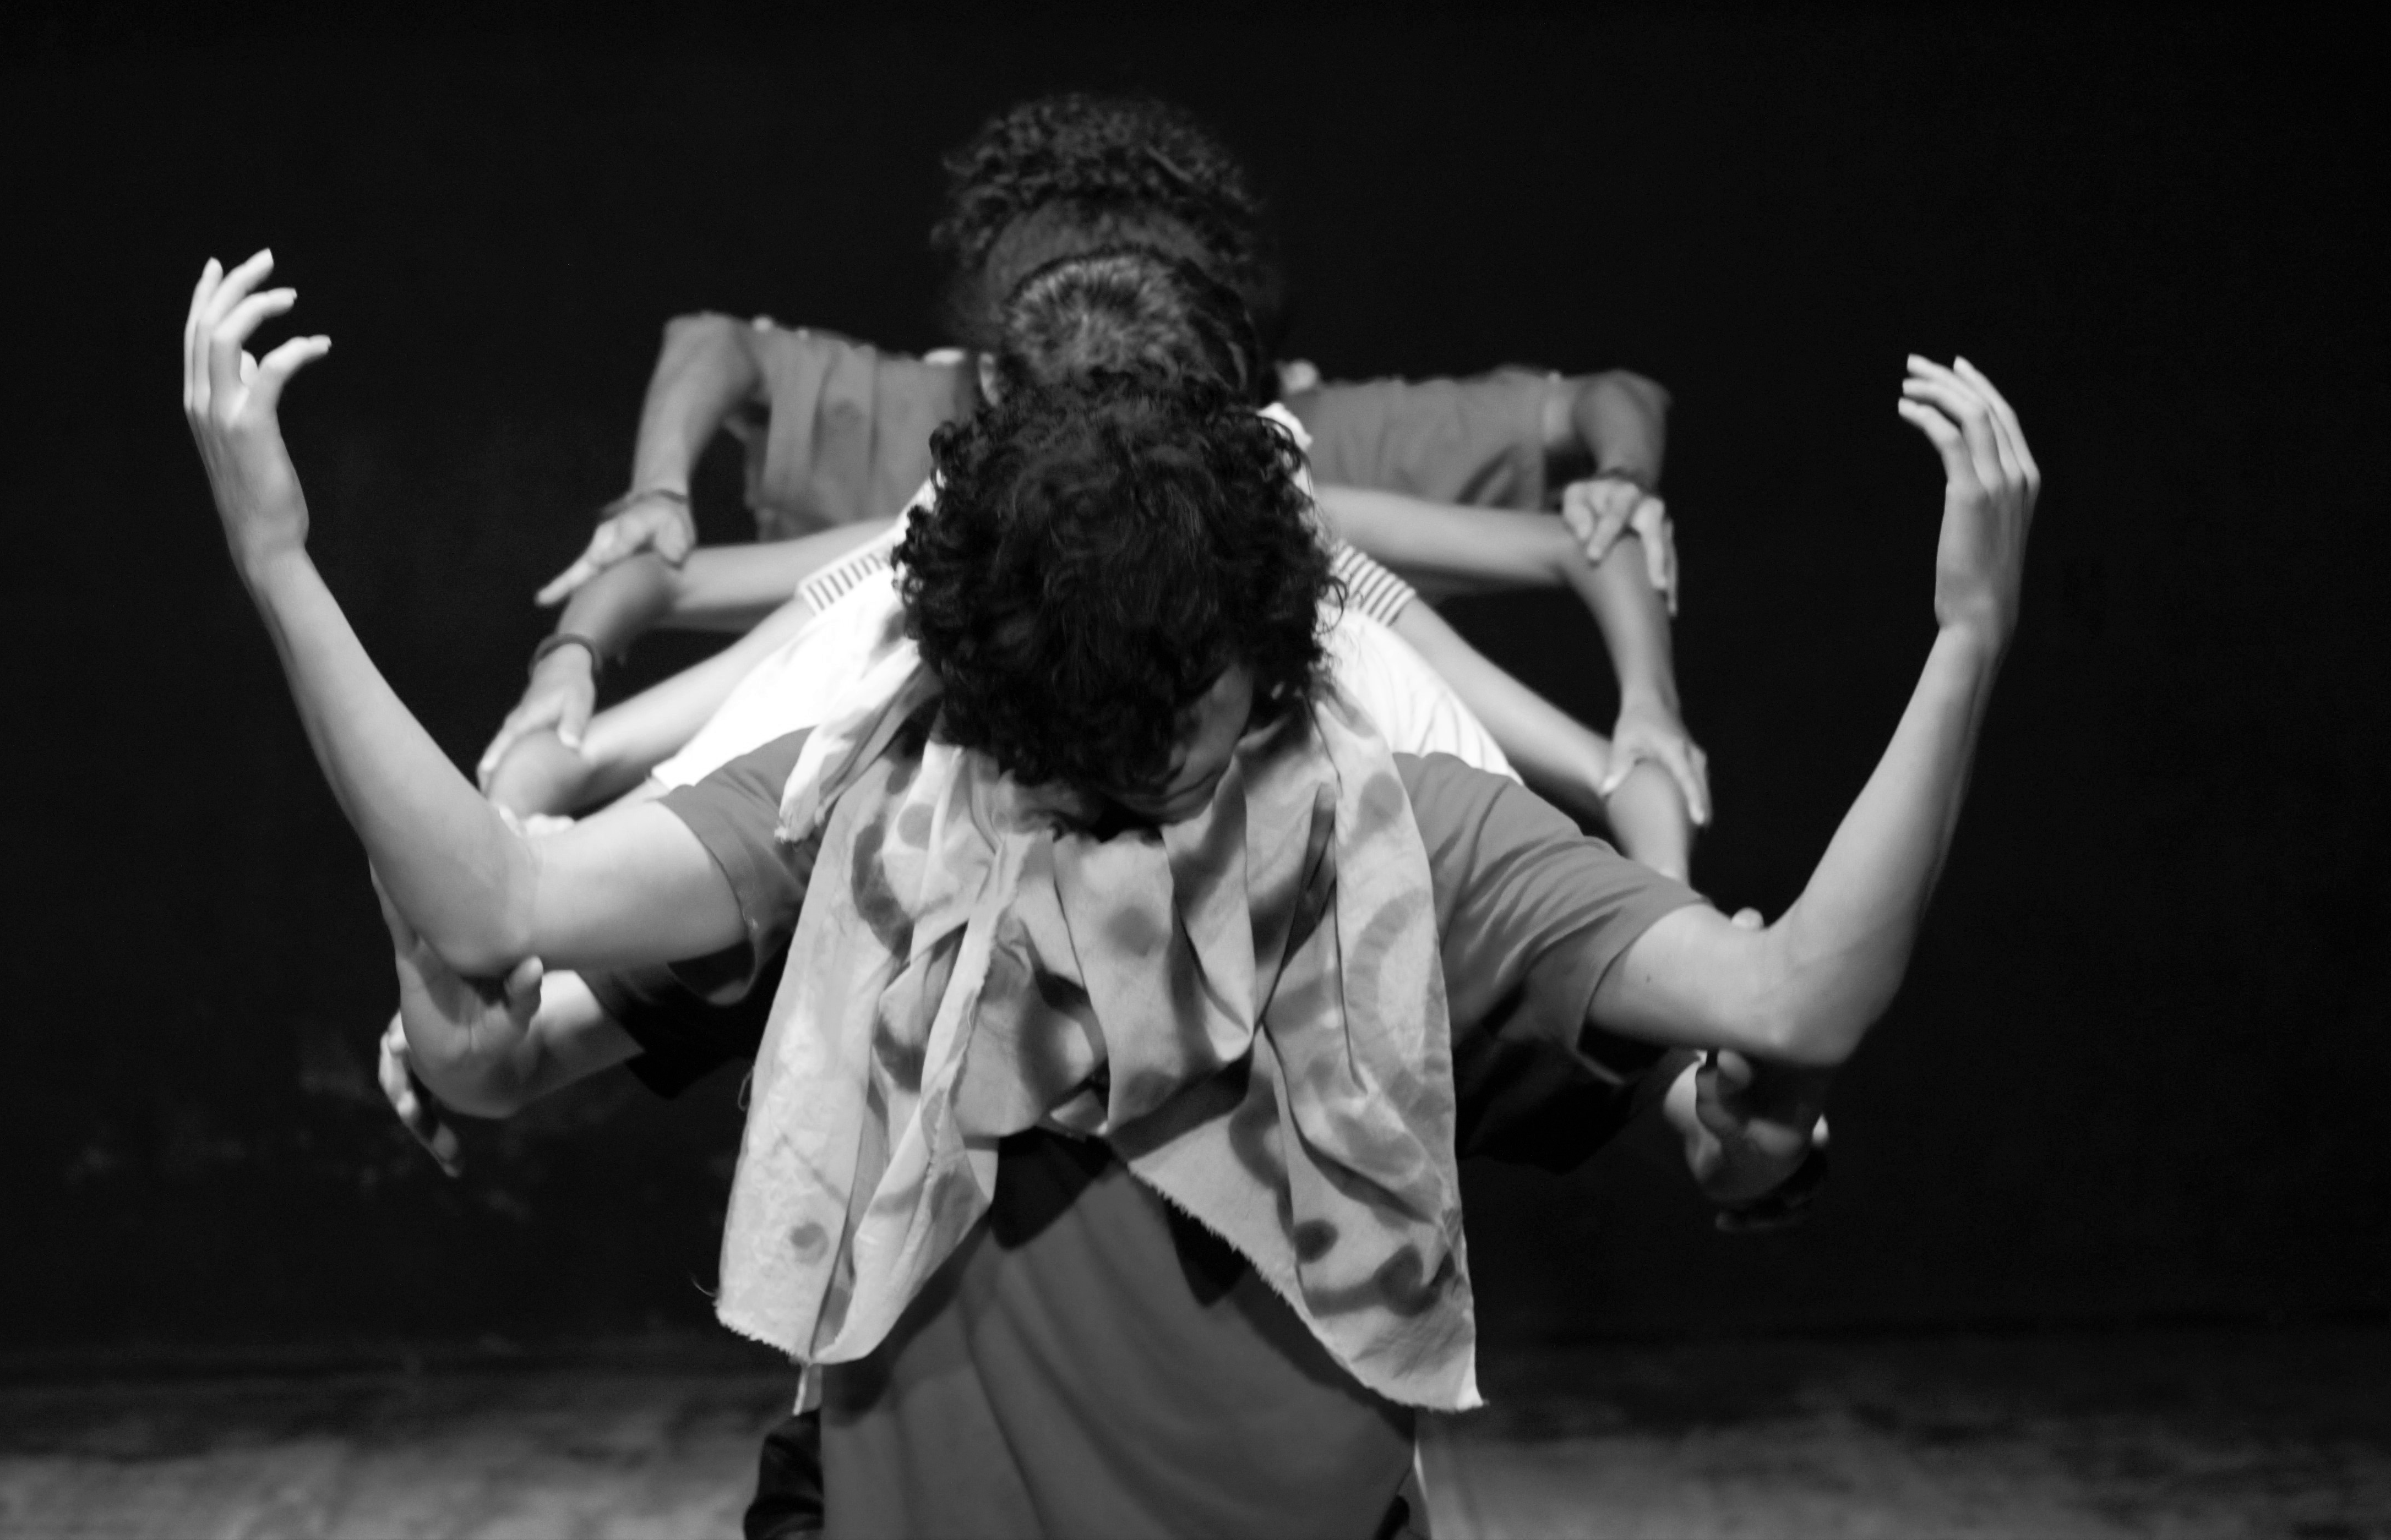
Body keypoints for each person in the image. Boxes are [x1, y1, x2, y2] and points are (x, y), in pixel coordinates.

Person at [183, 249, 2035, 1536]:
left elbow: (1786, 1002)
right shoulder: (891, 786)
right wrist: (295, 567)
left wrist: (1930, 649)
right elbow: (499, 903)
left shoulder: (1369, 811)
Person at [497, 93, 1706, 821]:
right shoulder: (929, 522)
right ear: (995, 388)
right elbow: (748, 589)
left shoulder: (1287, 491)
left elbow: (1583, 489)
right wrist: (580, 657)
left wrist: (1638, 710)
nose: (1112, 447)